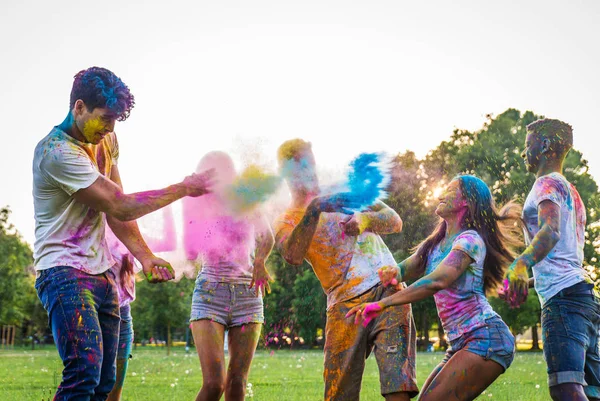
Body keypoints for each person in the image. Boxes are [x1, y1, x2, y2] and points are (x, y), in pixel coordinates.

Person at [32, 66, 213, 401]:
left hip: (102, 273)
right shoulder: (56, 152)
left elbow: (117, 210)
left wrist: (144, 256)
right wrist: (183, 188)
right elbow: (120, 205)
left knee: (104, 379)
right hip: (64, 272)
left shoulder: (107, 140)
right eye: (104, 118)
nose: (110, 128)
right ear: (79, 107)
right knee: (82, 373)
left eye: (115, 119)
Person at [348, 175, 521, 401]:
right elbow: (405, 268)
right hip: (460, 342)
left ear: (466, 201)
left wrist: (382, 304)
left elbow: (437, 281)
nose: (441, 195)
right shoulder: (435, 245)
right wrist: (392, 273)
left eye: (449, 190)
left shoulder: (470, 240)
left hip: (486, 337)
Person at [274, 139, 418, 401]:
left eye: (309, 161)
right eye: (298, 165)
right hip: (343, 307)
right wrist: (314, 208)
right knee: (338, 395)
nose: (308, 170)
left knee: (399, 386)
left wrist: (365, 219)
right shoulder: (286, 218)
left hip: (389, 292)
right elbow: (292, 255)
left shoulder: (345, 190)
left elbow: (394, 221)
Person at [503, 118, 600, 401]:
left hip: (565, 302)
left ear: (544, 146)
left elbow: (551, 230)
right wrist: (529, 280)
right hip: (583, 297)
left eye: (527, 145)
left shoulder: (545, 183)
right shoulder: (571, 191)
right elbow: (564, 259)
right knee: (592, 392)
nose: (524, 153)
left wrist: (520, 264)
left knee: (565, 389)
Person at [184, 151, 274, 401]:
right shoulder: (198, 206)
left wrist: (259, 261)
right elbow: (191, 254)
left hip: (248, 295)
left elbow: (267, 237)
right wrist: (190, 204)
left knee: (237, 384)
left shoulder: (247, 200)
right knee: (214, 384)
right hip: (210, 294)